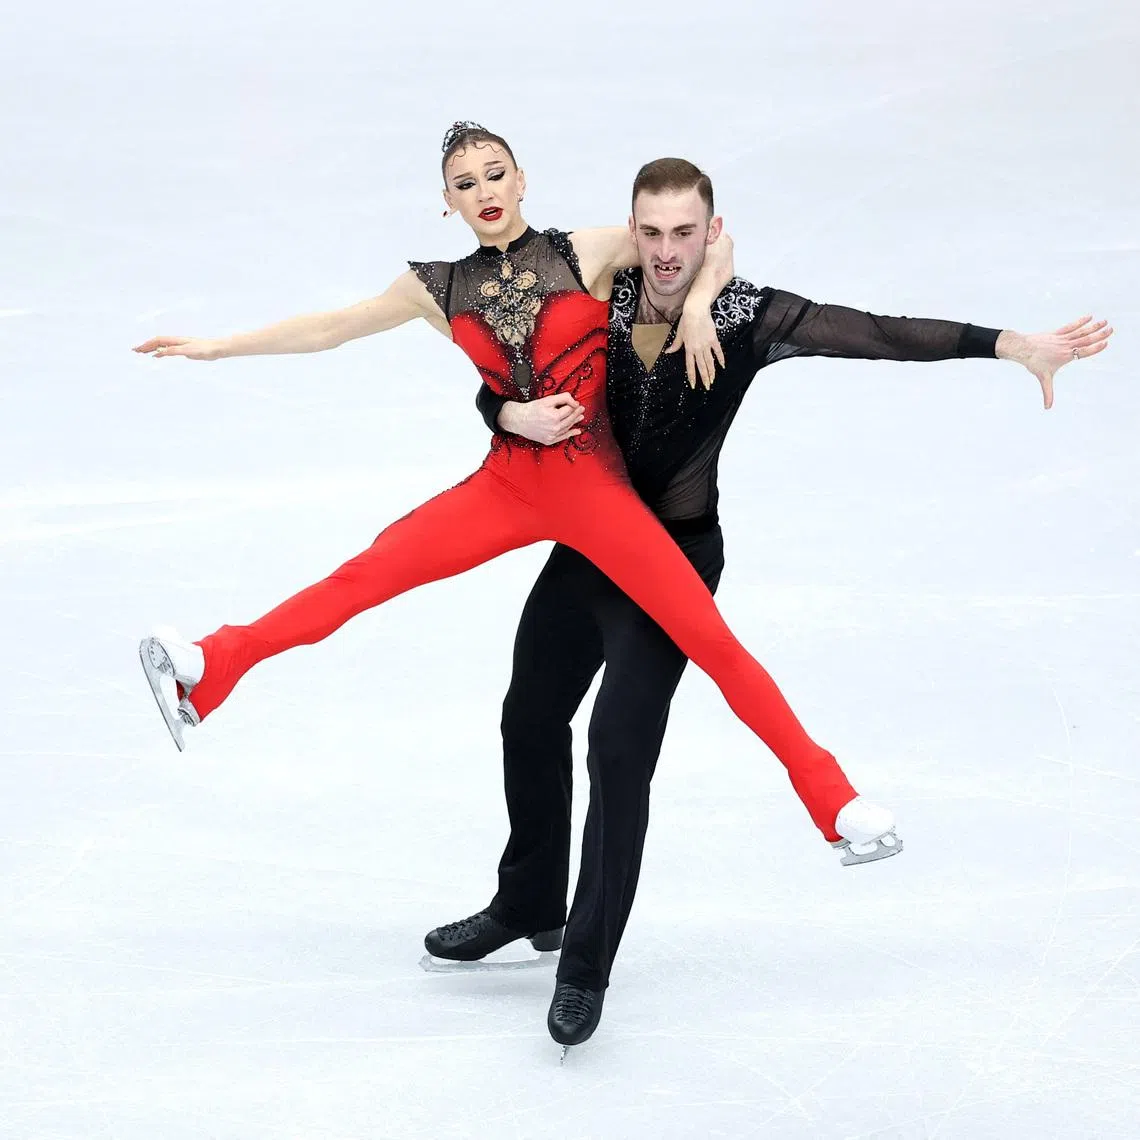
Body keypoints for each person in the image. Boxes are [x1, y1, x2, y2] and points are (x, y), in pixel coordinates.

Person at [421, 155, 1114, 1051]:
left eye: (686, 235)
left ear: (711, 235)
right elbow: (509, 365)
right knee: (528, 713)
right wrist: (500, 414)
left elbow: (879, 332)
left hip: (673, 559)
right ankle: (530, 900)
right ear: (631, 232)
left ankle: (583, 966)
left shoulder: (749, 317)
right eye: (651, 232)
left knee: (617, 752)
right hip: (592, 541)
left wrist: (1009, 343)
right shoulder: (606, 295)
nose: (665, 251)